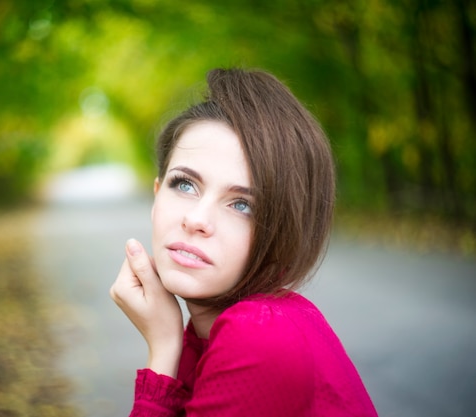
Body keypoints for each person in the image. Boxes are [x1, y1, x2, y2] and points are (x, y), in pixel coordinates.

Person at [110, 68, 378, 416]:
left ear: (280, 231)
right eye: (185, 185)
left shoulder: (259, 337)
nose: (196, 220)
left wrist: (163, 350)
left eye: (242, 205)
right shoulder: (222, 330)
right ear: (157, 194)